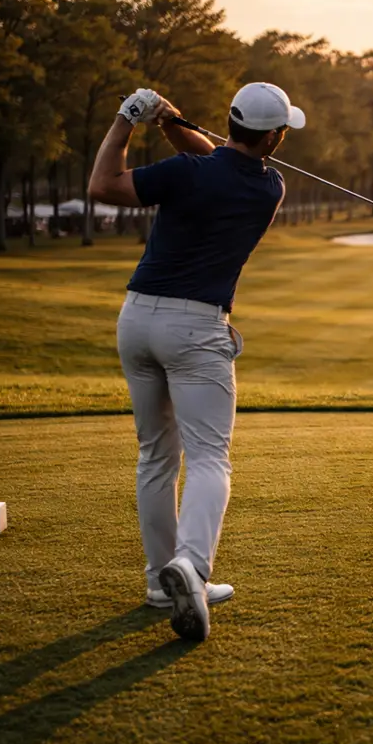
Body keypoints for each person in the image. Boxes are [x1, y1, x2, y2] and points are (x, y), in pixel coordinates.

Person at [88, 83, 306, 641]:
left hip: (136, 319)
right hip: (196, 330)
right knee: (210, 458)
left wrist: (129, 120)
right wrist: (171, 122)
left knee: (156, 456)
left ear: (228, 121)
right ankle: (190, 566)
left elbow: (102, 185)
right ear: (276, 136)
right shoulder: (269, 187)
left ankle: (163, 582)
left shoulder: (186, 172)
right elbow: (223, 162)